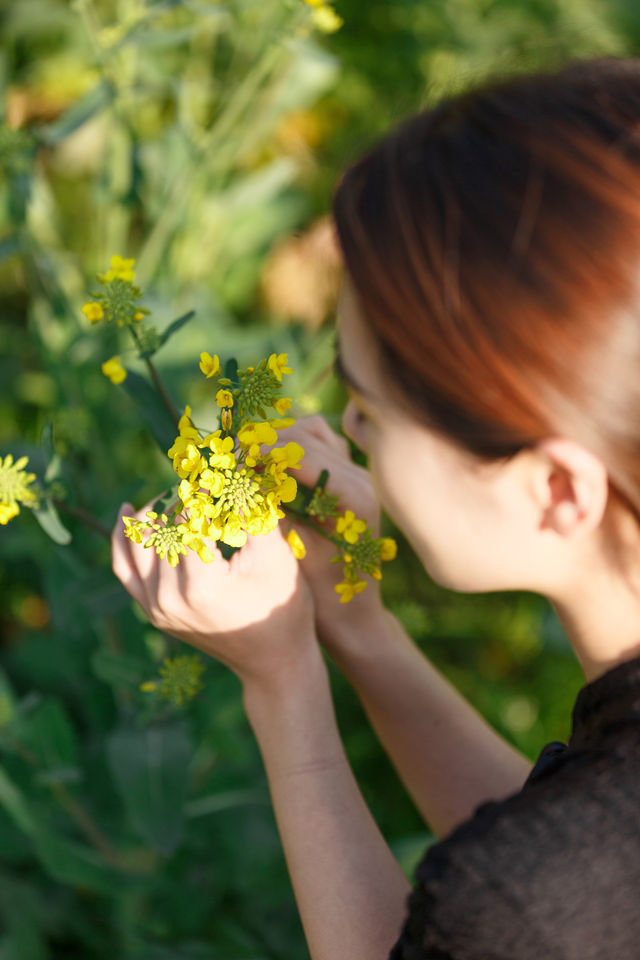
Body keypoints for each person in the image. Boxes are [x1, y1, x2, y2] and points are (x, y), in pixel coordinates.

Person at [112, 57, 640, 960]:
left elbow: (527, 905)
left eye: (371, 406)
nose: (341, 426)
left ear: (555, 488)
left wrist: (283, 688)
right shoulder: (575, 855)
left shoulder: (521, 895)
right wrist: (360, 633)